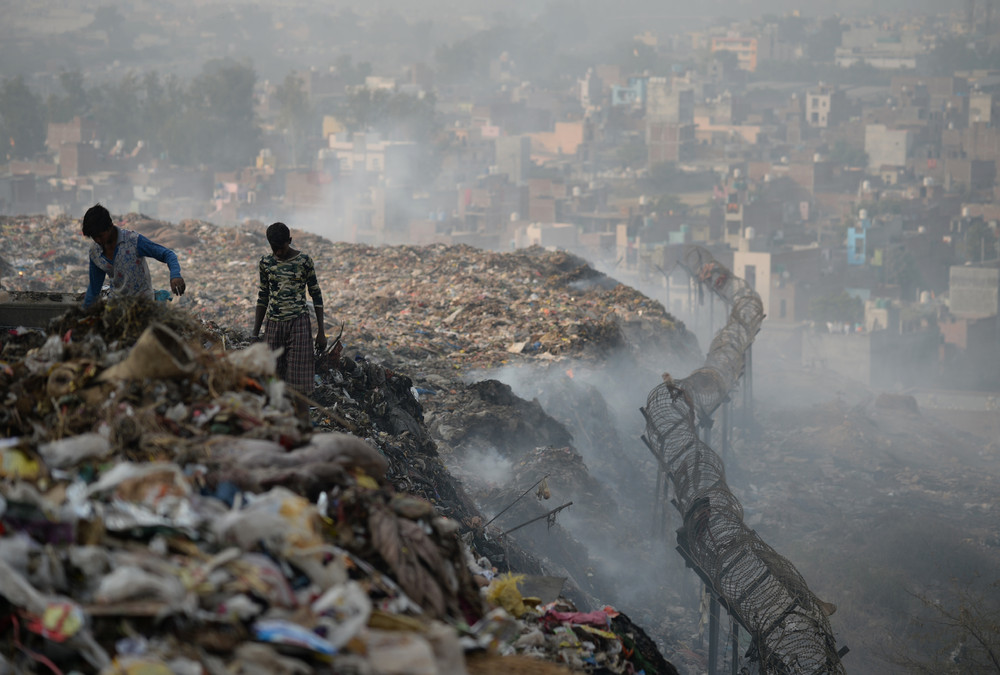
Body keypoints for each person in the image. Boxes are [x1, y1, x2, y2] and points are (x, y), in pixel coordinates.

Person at [252, 222, 327, 410]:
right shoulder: (266, 263)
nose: (278, 253)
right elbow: (263, 296)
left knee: (299, 383)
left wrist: (321, 332)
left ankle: (300, 424)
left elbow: (316, 295)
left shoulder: (304, 261)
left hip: (299, 324)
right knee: (272, 380)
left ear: (290, 241)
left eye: (282, 248)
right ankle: (276, 423)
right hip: (274, 325)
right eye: (274, 248)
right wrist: (255, 333)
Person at [82, 203, 186, 308]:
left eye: (100, 236)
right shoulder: (95, 251)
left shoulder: (133, 241)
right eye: (94, 237)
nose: (98, 240)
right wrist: (84, 312)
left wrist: (175, 275)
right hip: (116, 306)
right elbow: (95, 287)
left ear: (110, 226)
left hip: (143, 305)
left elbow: (167, 254)